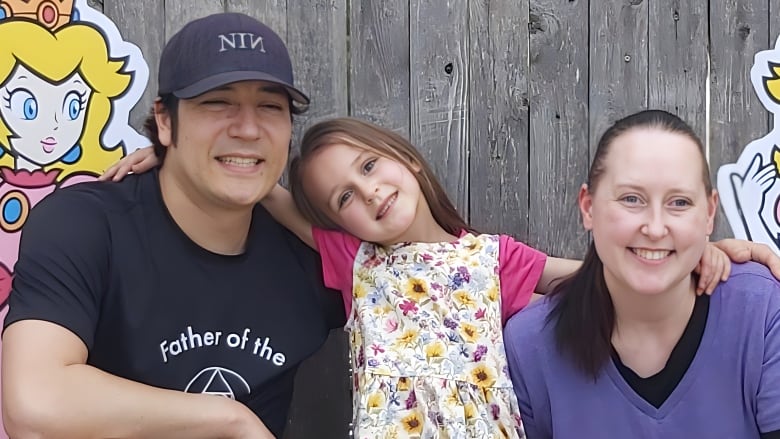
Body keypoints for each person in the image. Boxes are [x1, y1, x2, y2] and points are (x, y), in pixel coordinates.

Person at [104, 116, 779, 438]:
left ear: (407, 159)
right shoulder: (355, 264)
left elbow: (614, 269)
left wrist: (706, 251)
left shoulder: (494, 259)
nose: (365, 194)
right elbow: (263, 194)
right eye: (341, 197)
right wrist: (179, 156)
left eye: (368, 168)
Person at [2, 12, 344, 439]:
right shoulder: (86, 225)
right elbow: (35, 403)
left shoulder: (310, 257)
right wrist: (230, 420)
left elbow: (427, 282)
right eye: (218, 102)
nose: (249, 128)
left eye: (270, 107)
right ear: (165, 121)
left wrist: (269, 191)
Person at [504, 109, 780, 438]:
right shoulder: (531, 344)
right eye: (631, 199)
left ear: (709, 214)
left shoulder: (760, 311)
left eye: (679, 202)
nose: (655, 227)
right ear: (588, 207)